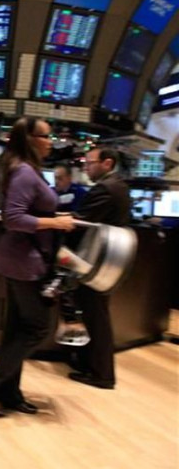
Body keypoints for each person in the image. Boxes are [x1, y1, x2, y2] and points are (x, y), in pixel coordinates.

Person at [0, 117, 75, 415]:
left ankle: (9, 393)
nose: (50, 141)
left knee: (18, 327)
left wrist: (59, 215)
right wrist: (55, 221)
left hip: (20, 259)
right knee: (38, 327)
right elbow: (13, 218)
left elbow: (29, 211)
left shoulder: (25, 169)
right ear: (30, 138)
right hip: (23, 261)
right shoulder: (26, 173)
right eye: (46, 136)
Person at [68, 147, 131, 389]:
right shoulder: (119, 185)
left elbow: (84, 221)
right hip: (107, 260)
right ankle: (89, 366)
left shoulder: (106, 188)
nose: (86, 167)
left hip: (98, 260)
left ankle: (101, 374)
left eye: (90, 162)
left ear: (107, 163)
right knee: (97, 314)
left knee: (96, 317)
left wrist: (60, 219)